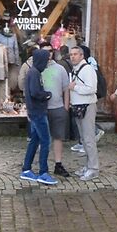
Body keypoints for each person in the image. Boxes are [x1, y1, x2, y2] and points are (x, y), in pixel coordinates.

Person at [19, 46, 55, 184]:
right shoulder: (34, 73)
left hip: (34, 112)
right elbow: (35, 92)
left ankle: (26, 169)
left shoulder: (34, 72)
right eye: (46, 60)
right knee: (45, 141)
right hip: (38, 113)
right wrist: (47, 95)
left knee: (34, 141)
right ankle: (43, 172)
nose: (47, 63)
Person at [68, 43, 101, 180]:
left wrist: (74, 88)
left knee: (89, 139)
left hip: (87, 106)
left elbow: (92, 89)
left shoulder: (87, 69)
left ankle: (93, 168)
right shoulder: (76, 69)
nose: (72, 57)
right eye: (71, 54)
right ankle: (88, 166)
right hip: (78, 106)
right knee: (83, 139)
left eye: (75, 54)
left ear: (81, 55)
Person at [43, 45, 72, 178]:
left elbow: (66, 88)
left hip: (58, 107)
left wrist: (65, 107)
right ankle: (42, 165)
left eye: (50, 51)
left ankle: (58, 164)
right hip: (43, 109)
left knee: (58, 137)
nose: (48, 54)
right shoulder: (38, 69)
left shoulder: (60, 69)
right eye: (45, 52)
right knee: (42, 138)